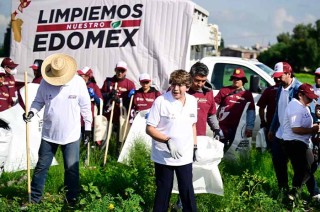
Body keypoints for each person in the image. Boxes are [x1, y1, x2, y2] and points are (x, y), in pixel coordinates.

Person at [22, 53, 92, 206]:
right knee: (41, 167)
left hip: (71, 134)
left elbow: (86, 107)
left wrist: (88, 128)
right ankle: (34, 200)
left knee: (71, 169)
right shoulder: (45, 82)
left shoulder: (78, 82)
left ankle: (71, 200)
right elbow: (38, 101)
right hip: (49, 133)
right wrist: (31, 112)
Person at [146, 69, 197, 211]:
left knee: (187, 190)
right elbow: (149, 128)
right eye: (173, 84)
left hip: (185, 155)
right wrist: (167, 140)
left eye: (180, 85)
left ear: (187, 86)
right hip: (163, 156)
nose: (175, 88)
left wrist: (194, 146)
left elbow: (192, 125)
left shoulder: (192, 101)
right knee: (163, 190)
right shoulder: (161, 101)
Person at [282, 83, 320, 200]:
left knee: (310, 167)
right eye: (308, 97)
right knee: (304, 169)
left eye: (312, 98)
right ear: (300, 95)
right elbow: (296, 129)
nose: (310, 100)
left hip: (302, 142)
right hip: (293, 142)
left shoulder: (303, 106)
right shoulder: (295, 107)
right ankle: (293, 193)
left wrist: (315, 126)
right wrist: (312, 129)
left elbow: (305, 124)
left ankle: (307, 193)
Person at [268, 62, 301, 192]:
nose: (276, 79)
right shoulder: (280, 88)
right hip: (280, 133)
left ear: (288, 73)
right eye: (275, 76)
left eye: (280, 76)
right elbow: (278, 110)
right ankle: (283, 189)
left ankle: (306, 193)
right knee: (278, 162)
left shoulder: (299, 89)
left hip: (294, 135)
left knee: (299, 165)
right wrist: (272, 129)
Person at [214, 68, 255, 152]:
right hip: (222, 126)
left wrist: (249, 127)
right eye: (234, 78)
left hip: (239, 127)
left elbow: (251, 111)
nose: (236, 80)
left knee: (235, 151)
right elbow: (213, 106)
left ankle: (232, 164)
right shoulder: (224, 90)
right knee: (219, 149)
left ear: (243, 80)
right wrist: (214, 124)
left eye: (238, 79)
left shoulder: (247, 94)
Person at [100, 61, 135, 149]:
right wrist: (109, 94)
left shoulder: (129, 84)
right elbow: (101, 95)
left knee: (121, 137)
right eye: (118, 70)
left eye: (122, 71)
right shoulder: (108, 81)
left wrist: (120, 100)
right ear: (115, 70)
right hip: (109, 114)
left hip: (122, 115)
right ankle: (101, 154)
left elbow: (131, 101)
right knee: (104, 136)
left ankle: (118, 156)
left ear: (125, 72)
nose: (120, 73)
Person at [188, 62, 220, 137]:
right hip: (180, 137)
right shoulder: (180, 90)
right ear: (190, 76)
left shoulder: (208, 92)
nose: (200, 84)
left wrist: (216, 129)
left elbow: (211, 114)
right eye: (197, 80)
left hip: (200, 137)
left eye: (203, 81)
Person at [77, 66, 103, 145]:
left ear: (88, 76)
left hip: (89, 119)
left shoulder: (94, 86)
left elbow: (100, 103)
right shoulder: (77, 85)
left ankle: (88, 156)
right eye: (80, 75)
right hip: (77, 119)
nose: (81, 77)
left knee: (88, 141)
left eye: (83, 76)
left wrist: (94, 96)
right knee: (78, 141)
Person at [257, 76, 281, 149]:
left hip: (271, 124)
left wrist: (263, 121)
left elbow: (261, 108)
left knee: (271, 147)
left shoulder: (269, 90)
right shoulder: (287, 90)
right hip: (283, 124)